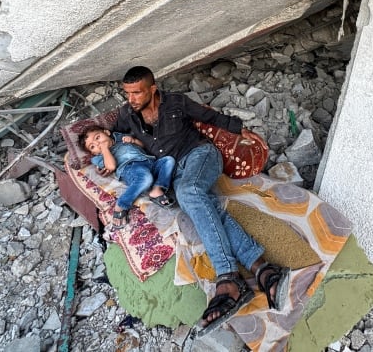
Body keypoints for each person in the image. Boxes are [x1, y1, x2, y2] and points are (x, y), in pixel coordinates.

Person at [115, 66, 290, 335]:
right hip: (174, 173)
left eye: (137, 93)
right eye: (127, 93)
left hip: (201, 156)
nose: (132, 99)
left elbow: (209, 115)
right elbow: (113, 137)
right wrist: (110, 147)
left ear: (152, 89)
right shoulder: (127, 115)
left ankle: (228, 278)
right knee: (200, 206)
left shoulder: (175, 102)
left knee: (188, 194)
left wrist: (240, 130)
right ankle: (263, 270)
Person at [78, 125, 177, 229]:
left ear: (106, 132)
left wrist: (133, 141)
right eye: (92, 146)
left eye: (97, 138)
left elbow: (142, 146)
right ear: (93, 153)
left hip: (149, 162)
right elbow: (111, 166)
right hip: (131, 169)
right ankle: (121, 205)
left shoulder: (119, 138)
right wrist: (104, 149)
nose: (98, 144)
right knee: (146, 178)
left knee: (168, 160)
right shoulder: (99, 157)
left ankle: (157, 188)